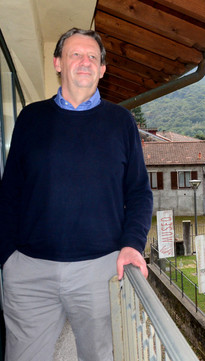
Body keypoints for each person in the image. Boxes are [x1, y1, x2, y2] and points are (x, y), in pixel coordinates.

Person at [0, 28, 153, 361]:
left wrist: (131, 244)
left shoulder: (121, 122)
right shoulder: (31, 118)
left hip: (98, 271)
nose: (85, 62)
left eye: (93, 57)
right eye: (75, 54)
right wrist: (7, 257)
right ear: (58, 63)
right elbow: (10, 191)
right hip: (28, 272)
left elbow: (139, 192)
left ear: (101, 69)